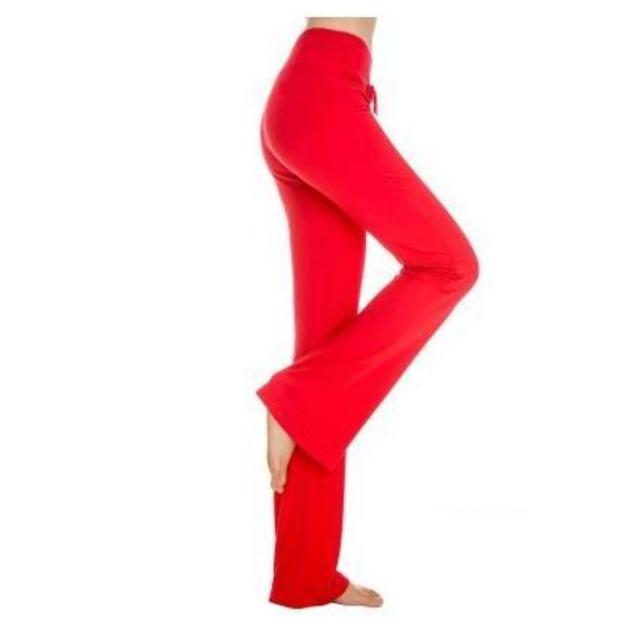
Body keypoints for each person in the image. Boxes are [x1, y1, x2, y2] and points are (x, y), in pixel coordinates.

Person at [256, 17, 479, 609]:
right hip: (324, 98)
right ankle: (296, 398)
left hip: (310, 96)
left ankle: (305, 573)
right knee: (450, 265)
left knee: (325, 346)